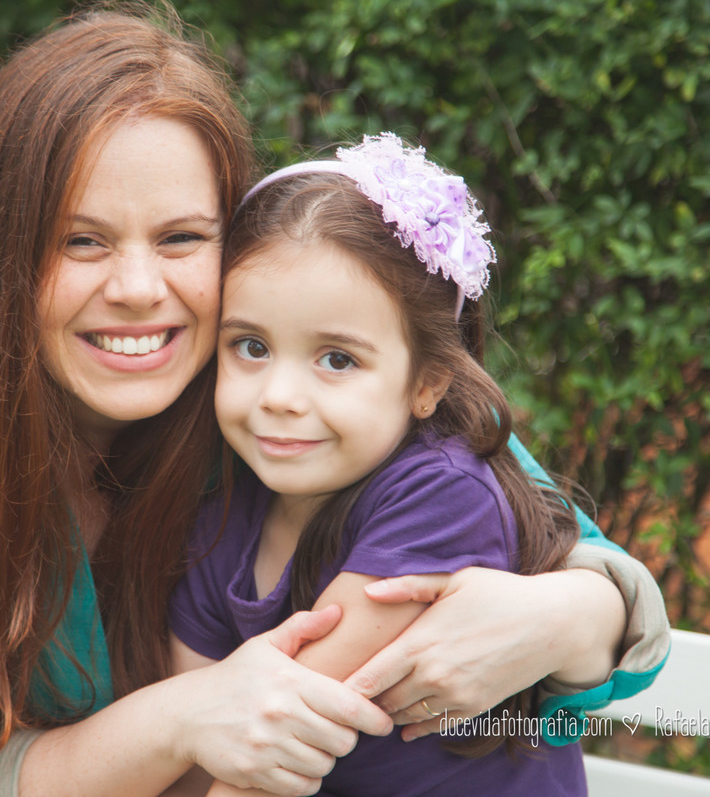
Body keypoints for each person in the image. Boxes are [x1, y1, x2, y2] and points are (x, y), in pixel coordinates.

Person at [0, 5, 669, 797]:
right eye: (80, 240)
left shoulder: (289, 409)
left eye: (181, 238)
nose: (139, 288)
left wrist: (559, 615)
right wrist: (183, 715)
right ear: (1, 255)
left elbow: (604, 598)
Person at [169, 134, 592, 796]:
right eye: (250, 345)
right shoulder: (219, 518)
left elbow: (280, 739)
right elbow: (191, 753)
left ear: (427, 382)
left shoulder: (444, 493)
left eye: (337, 359)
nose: (279, 397)